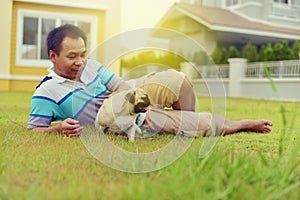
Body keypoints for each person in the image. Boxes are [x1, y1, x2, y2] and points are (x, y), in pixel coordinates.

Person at [27, 24, 272, 137]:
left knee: (179, 81)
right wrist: (57, 128)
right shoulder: (47, 92)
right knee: (200, 121)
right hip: (117, 117)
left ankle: (183, 127)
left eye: (83, 54)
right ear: (53, 56)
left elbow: (121, 85)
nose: (80, 62)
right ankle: (234, 124)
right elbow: (34, 130)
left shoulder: (91, 67)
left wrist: (123, 95)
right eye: (72, 57)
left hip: (131, 97)